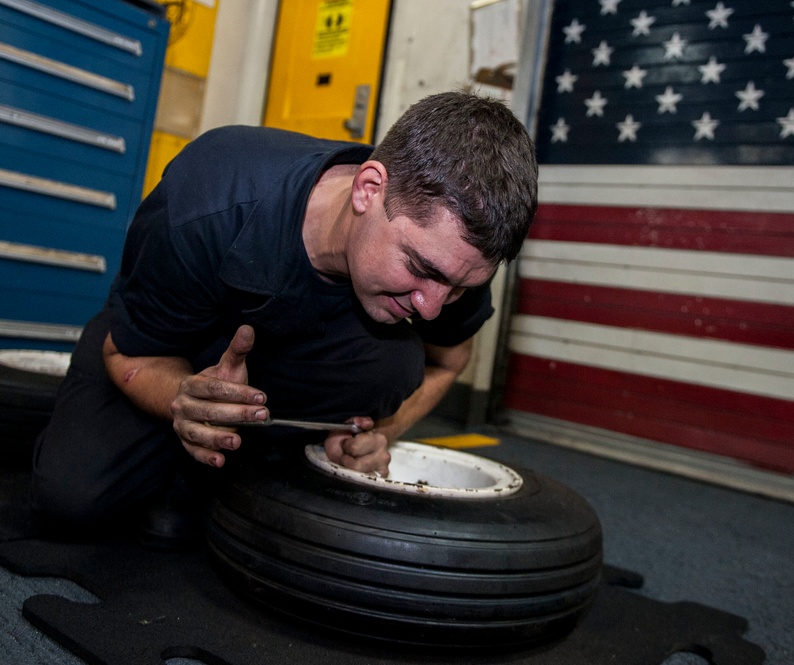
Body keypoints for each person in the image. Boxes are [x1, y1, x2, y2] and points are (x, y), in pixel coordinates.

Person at [31, 91, 538, 545]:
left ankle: (228, 470)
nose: (431, 305)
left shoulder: (455, 255)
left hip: (286, 366)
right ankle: (192, 469)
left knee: (396, 363)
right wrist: (182, 400)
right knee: (71, 498)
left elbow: (448, 362)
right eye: (419, 268)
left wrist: (387, 428)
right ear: (368, 189)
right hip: (168, 348)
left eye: (457, 287)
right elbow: (128, 350)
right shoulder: (211, 197)